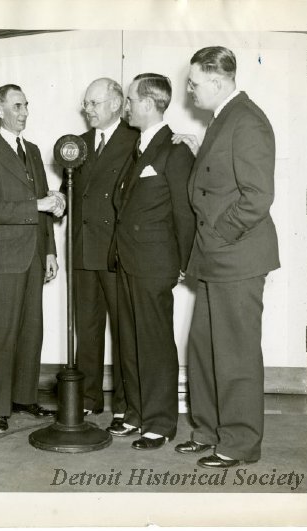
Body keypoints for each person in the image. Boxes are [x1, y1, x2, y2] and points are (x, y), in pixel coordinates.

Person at [173, 46, 279, 468]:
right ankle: (208, 431)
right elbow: (224, 181)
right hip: (216, 260)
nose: (189, 89)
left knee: (234, 354)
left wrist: (218, 235)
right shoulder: (224, 119)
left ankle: (238, 444)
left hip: (237, 258)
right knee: (202, 348)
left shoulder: (247, 121)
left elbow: (258, 197)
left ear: (217, 82)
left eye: (194, 83)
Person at [109, 73, 195, 449]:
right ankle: (136, 413)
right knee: (130, 340)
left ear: (147, 103)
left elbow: (185, 213)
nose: (126, 107)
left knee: (155, 342)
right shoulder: (140, 147)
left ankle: (160, 421)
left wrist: (183, 262)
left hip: (155, 262)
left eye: (129, 100)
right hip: (128, 259)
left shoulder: (173, 150)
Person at [0, 84, 65, 433]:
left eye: (26, 105)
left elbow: (45, 206)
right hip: (5, 258)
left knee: (32, 330)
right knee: (3, 332)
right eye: (16, 106)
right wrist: (39, 204)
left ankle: (24, 397)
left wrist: (51, 251)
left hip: (34, 256)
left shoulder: (35, 150)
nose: (24, 112)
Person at [60, 77, 138, 418]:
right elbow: (69, 190)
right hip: (83, 251)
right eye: (86, 103)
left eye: (93, 103)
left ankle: (123, 405)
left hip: (117, 252)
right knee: (87, 331)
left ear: (116, 104)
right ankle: (89, 400)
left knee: (124, 331)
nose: (86, 109)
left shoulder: (136, 139)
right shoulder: (79, 144)